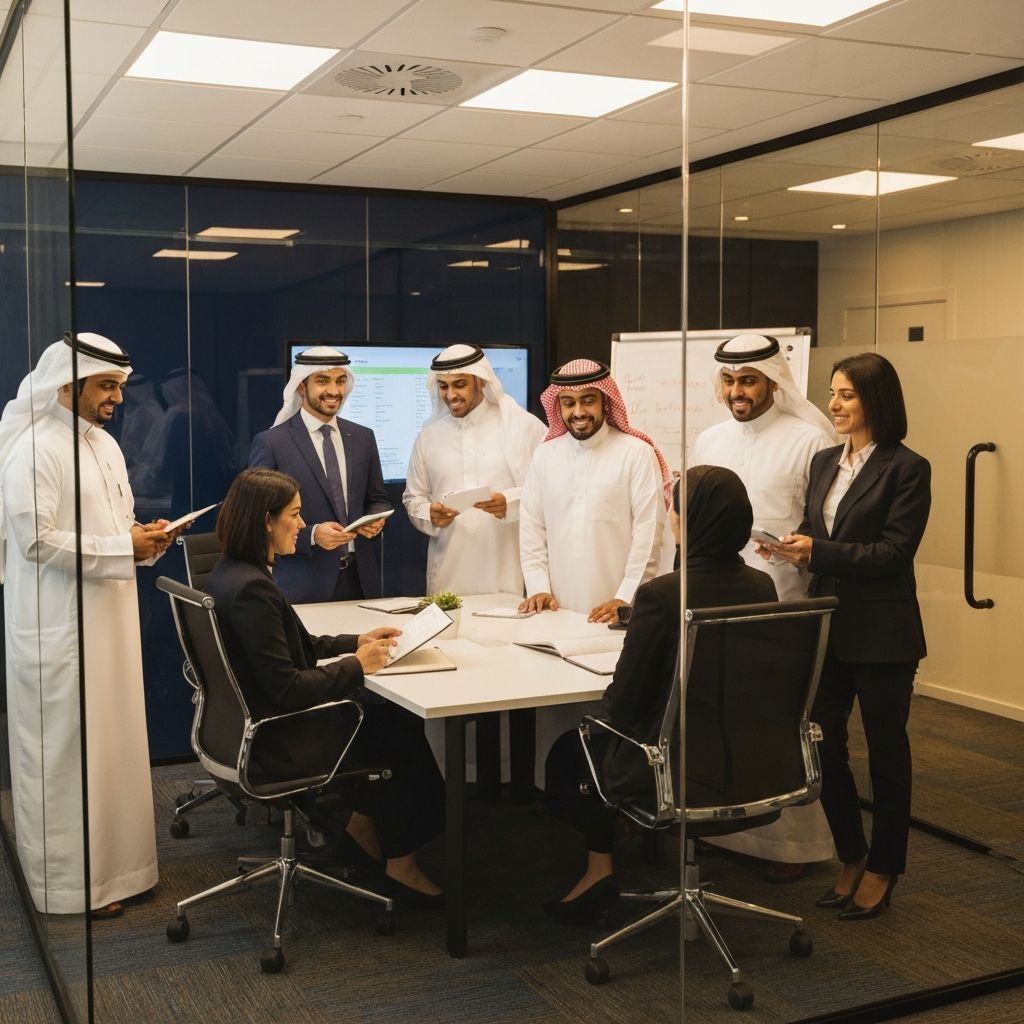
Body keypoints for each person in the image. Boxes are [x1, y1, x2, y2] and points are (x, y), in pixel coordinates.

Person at [542, 467, 778, 924]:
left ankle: (599, 870)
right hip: (746, 757)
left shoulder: (662, 595)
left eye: (674, 508)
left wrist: (599, 724)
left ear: (685, 521)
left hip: (674, 762)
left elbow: (626, 701)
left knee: (574, 751)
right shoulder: (762, 585)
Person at [205, 467, 445, 904]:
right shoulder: (253, 589)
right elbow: (289, 689)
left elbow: (295, 645)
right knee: (398, 727)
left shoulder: (233, 573)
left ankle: (361, 823)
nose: (301, 525)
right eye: (294, 516)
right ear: (266, 520)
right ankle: (400, 859)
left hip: (248, 725)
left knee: (385, 718)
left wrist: (357, 641)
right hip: (281, 736)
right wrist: (357, 665)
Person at [1, 333, 173, 918]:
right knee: (68, 753)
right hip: (61, 629)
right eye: (106, 386)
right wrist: (122, 546)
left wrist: (147, 542)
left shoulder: (103, 445)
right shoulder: (34, 448)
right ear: (66, 386)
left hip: (111, 623)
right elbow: (34, 540)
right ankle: (71, 886)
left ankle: (121, 872)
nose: (117, 399)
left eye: (120, 387)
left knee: (113, 744)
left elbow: (118, 525)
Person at [765, 352, 930, 920]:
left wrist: (820, 549)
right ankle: (851, 854)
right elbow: (821, 530)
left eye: (847, 395)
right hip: (828, 628)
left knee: (887, 756)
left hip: (884, 636)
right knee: (821, 745)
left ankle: (885, 867)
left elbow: (892, 553)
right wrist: (793, 543)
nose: (833, 405)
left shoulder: (907, 468)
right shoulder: (825, 463)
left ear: (876, 401)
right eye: (833, 393)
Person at [692, 333, 837, 879]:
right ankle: (725, 830)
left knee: (774, 720)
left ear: (773, 381)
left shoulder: (807, 438)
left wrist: (795, 542)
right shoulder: (709, 439)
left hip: (783, 595)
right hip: (720, 595)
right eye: (729, 381)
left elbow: (826, 521)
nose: (737, 392)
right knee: (721, 714)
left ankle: (789, 848)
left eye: (748, 380)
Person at [518, 358, 670, 623]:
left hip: (618, 611)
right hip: (556, 609)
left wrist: (625, 598)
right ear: (558, 405)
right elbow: (532, 527)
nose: (578, 411)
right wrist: (538, 587)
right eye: (568, 403)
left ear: (605, 400)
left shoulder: (636, 453)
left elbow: (648, 534)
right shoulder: (545, 455)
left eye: (588, 400)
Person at [248, 347, 391, 603]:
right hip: (303, 583)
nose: (334, 391)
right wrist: (312, 535)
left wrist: (374, 520)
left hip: (361, 580)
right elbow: (257, 517)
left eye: (340, 380)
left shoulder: (362, 437)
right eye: (323, 381)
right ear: (302, 387)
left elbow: (377, 498)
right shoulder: (272, 443)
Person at [403, 344, 545, 597]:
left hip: (507, 572)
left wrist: (509, 502)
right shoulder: (428, 437)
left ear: (480, 381)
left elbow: (550, 489)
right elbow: (413, 499)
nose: (450, 394)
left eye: (459, 384)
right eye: (443, 386)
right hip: (448, 574)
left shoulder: (524, 428)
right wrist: (429, 514)